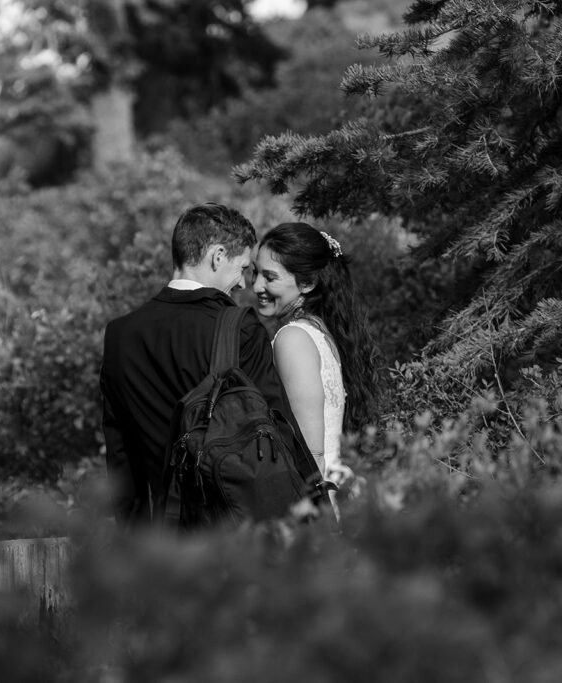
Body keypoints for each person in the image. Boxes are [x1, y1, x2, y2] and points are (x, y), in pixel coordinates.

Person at [100, 203, 320, 528]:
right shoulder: (240, 329)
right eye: (243, 267)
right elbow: (280, 439)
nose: (244, 284)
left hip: (168, 545)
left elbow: (122, 462)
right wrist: (320, 517)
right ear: (217, 256)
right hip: (234, 538)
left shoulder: (120, 335)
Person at [252, 222, 376, 487]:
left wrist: (315, 519)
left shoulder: (293, 339)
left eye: (269, 277)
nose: (256, 286)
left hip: (315, 489)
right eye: (255, 274)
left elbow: (310, 452)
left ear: (307, 283)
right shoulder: (319, 330)